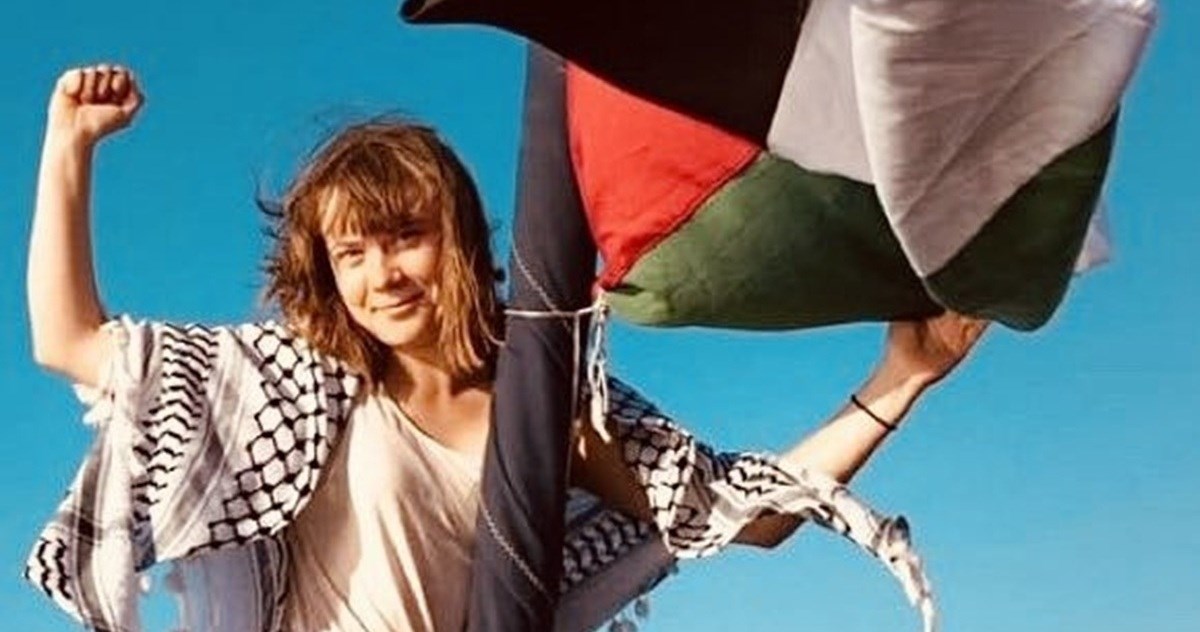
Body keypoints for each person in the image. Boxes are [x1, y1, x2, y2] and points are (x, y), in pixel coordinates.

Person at [27, 64, 987, 632]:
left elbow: (745, 513)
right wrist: (69, 145)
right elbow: (67, 340)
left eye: (403, 236)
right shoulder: (303, 384)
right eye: (351, 254)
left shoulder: (552, 407)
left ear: (457, 237)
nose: (381, 275)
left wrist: (902, 378)